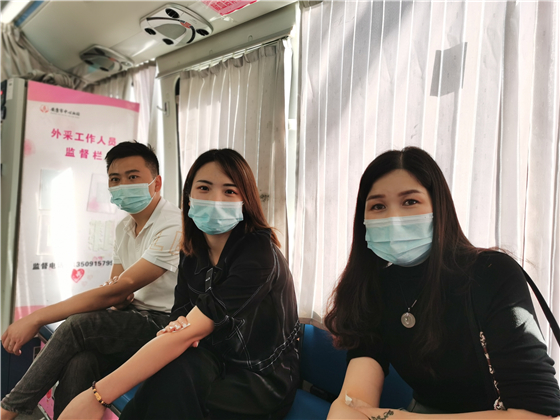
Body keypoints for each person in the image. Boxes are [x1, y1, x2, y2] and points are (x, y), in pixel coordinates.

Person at [59, 148, 300, 420]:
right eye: (204, 188)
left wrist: (97, 396)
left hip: (258, 375)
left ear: (246, 200)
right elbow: (180, 320)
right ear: (189, 196)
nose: (215, 199)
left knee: (170, 384)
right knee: (169, 373)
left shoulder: (258, 253)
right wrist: (180, 329)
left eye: (229, 191)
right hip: (209, 359)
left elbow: (189, 331)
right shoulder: (191, 252)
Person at [324, 147, 560, 419]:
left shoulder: (492, 273)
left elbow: (538, 414)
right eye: (378, 206)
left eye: (410, 201)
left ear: (439, 208)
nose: (394, 218)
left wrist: (395, 418)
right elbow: (353, 402)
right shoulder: (373, 289)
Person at [1, 141, 182, 420]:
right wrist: (119, 296)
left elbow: (118, 289)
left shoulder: (174, 224)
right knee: (80, 362)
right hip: (133, 319)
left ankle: (8, 410)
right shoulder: (124, 227)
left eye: (133, 177)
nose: (123, 185)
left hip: (166, 325)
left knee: (78, 326)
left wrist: (36, 318)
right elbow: (116, 290)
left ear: (156, 183)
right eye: (115, 179)